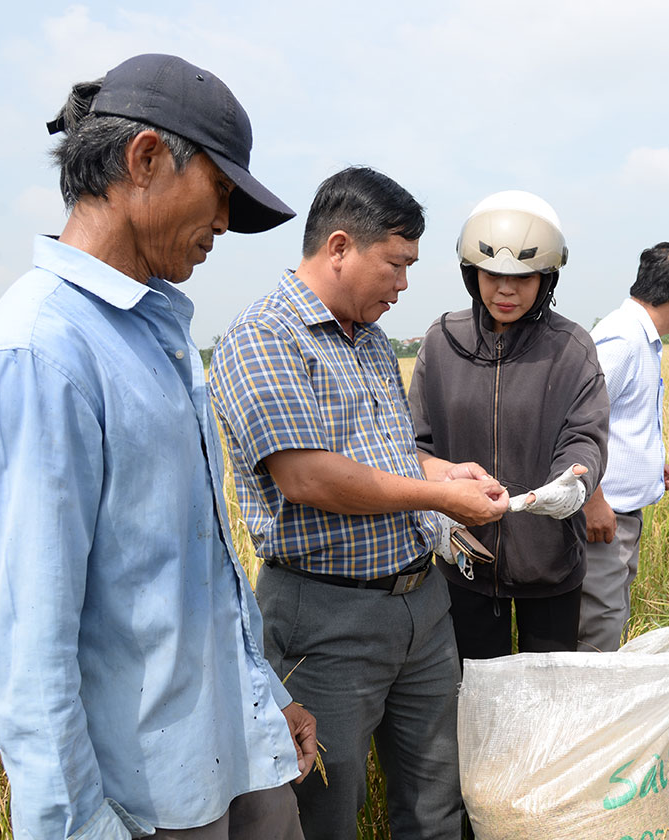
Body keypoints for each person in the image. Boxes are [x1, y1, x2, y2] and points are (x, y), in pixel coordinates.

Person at [0, 54, 315, 839]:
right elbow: (25, 655)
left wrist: (266, 700)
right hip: (142, 808)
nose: (224, 225)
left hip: (232, 756)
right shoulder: (39, 358)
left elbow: (192, 568)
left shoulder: (153, 334)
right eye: (222, 194)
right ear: (144, 161)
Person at [208, 166, 509, 840]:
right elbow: (308, 476)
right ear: (340, 247)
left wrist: (441, 470)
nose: (404, 284)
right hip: (326, 620)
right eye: (396, 264)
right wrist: (441, 498)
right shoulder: (264, 338)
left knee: (436, 798)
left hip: (422, 607)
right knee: (326, 810)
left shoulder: (369, 340)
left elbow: (383, 454)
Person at [408, 190, 608, 659]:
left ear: (547, 279)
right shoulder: (441, 343)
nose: (505, 290)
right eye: (492, 275)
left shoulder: (571, 348)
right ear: (470, 273)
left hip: (550, 561)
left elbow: (585, 436)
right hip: (465, 562)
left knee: (549, 702)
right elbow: (415, 441)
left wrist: (573, 483)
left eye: (523, 278)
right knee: (474, 701)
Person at [578, 242, 669, 653]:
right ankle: (588, 717)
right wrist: (592, 499)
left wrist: (653, 464)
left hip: (620, 516)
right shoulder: (623, 339)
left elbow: (619, 419)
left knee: (609, 619)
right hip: (603, 518)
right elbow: (572, 421)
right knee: (598, 631)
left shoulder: (641, 336)